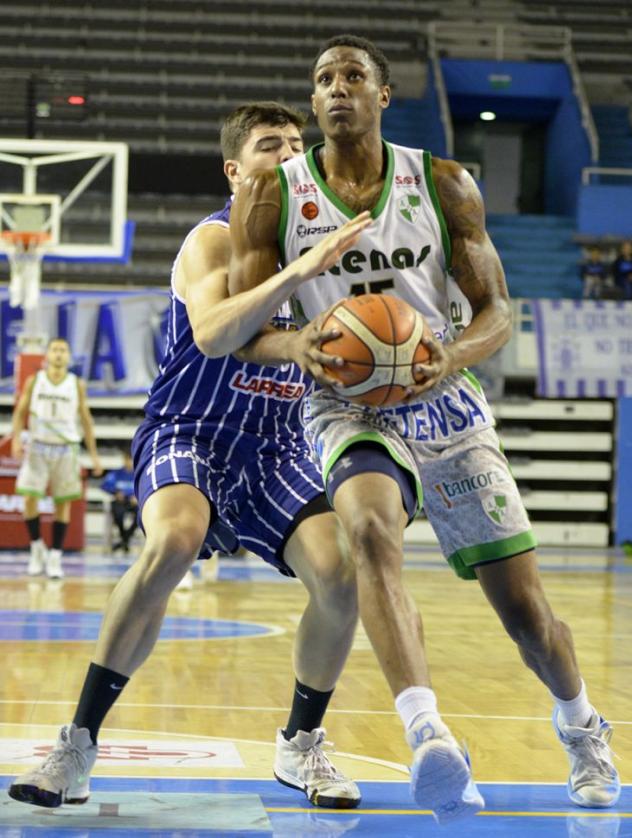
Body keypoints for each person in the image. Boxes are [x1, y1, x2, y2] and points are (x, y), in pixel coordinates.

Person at [226, 35, 621, 823]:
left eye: (353, 77)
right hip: (343, 401)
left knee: (527, 616)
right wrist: (297, 342)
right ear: (314, 103)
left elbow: (497, 312)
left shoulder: (443, 183)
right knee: (370, 532)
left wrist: (451, 355)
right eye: (323, 80)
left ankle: (581, 724)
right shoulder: (273, 194)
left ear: (383, 95)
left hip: (443, 399)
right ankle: (428, 732)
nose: (337, 89)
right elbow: (244, 328)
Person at [9, 102, 371, 812]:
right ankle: (77, 743)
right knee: (173, 540)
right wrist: (302, 272)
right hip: (190, 429)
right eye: (272, 145)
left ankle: (300, 746)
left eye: (299, 145)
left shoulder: (327, 250)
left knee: (342, 573)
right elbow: (212, 333)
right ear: (236, 170)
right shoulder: (211, 241)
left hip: (276, 444)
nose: (291, 155)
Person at [11, 337, 103, 579]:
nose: (59, 354)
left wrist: (94, 456)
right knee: (29, 500)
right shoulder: (35, 381)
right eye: (55, 349)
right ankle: (36, 548)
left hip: (66, 448)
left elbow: (86, 420)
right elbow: (20, 412)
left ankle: (55, 557)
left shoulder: (75, 384)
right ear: (47, 354)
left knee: (62, 503)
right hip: (38, 447)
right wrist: (16, 440)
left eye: (63, 349)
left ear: (69, 356)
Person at [101, 448, 137, 554]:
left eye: (131, 459)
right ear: (124, 460)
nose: (129, 462)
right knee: (118, 514)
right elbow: (104, 485)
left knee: (141, 515)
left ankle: (123, 540)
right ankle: (125, 540)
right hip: (119, 502)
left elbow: (145, 487)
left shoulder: (139, 474)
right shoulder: (116, 473)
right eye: (127, 459)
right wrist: (116, 492)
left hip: (134, 502)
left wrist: (137, 496)